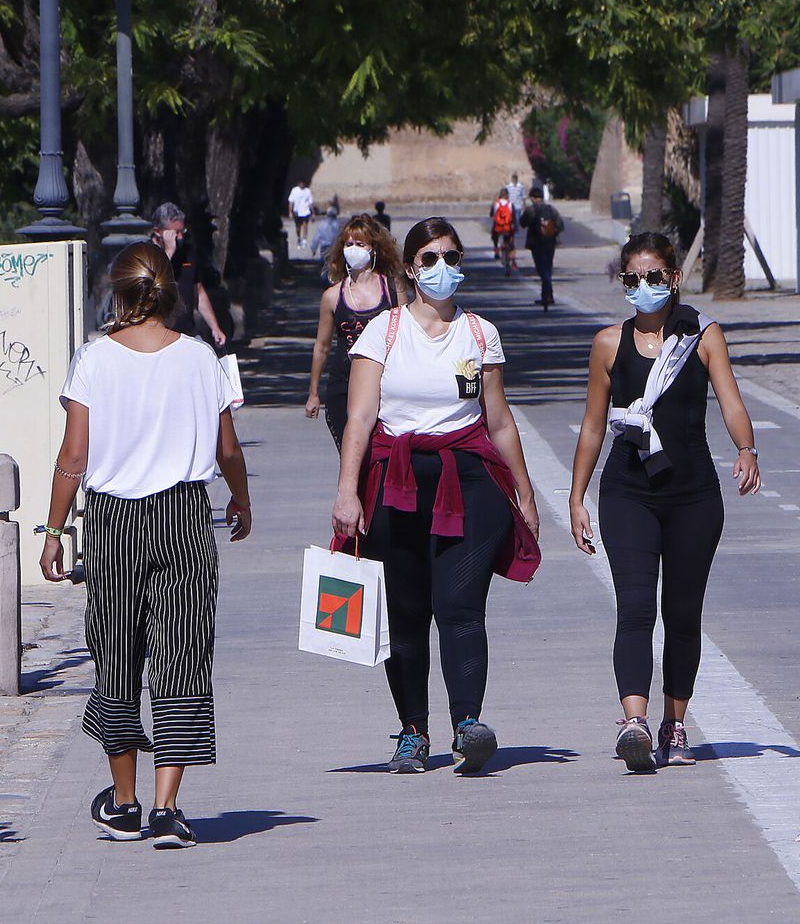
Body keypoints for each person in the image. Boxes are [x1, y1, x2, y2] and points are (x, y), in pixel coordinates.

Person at [41, 242, 252, 849]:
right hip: (185, 515)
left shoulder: (94, 360)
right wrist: (240, 500)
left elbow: (73, 457)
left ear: (119, 293)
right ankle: (167, 806)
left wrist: (55, 532)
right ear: (167, 293)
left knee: (118, 652)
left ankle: (125, 800)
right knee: (183, 652)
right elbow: (228, 450)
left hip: (114, 522)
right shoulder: (200, 358)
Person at [332, 217, 541, 776]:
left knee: (460, 605)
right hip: (395, 482)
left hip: (468, 480)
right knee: (404, 611)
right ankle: (413, 733)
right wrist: (347, 492)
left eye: (450, 256)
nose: (441, 268)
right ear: (409, 268)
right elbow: (359, 418)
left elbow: (498, 421)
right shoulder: (384, 332)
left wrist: (523, 491)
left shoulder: (479, 333)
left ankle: (469, 724)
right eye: (429, 259)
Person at [567, 232, 761, 773]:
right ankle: (635, 722)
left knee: (682, 612)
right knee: (634, 607)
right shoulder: (609, 343)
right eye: (632, 279)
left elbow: (731, 400)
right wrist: (576, 497)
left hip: (693, 497)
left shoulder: (703, 336)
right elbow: (591, 426)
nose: (644, 287)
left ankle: (675, 723)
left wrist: (746, 449)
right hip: (627, 493)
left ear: (674, 279)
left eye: (654, 277)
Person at [305, 214, 401, 449]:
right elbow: (322, 347)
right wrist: (313, 393)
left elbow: (406, 336)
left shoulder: (393, 289)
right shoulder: (332, 296)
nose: (354, 249)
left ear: (374, 248)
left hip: (385, 386)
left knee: (381, 457)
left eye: (360, 244)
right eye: (349, 244)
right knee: (352, 456)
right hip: (343, 386)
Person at [150, 202, 227, 348]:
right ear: (158, 231)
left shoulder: (188, 252)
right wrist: (169, 252)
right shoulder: (147, 253)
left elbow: (198, 291)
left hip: (187, 332)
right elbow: (151, 283)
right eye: (174, 233)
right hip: (159, 337)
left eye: (182, 231)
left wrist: (215, 327)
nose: (179, 237)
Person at [522, 195, 564, 309]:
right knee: (548, 269)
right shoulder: (551, 209)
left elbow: (522, 223)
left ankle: (546, 296)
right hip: (550, 243)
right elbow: (560, 225)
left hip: (536, 244)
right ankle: (548, 295)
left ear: (533, 197)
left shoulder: (531, 210)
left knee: (542, 270)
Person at [490, 188, 518, 275]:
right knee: (511, 244)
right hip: (508, 228)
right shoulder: (510, 204)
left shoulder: (496, 203)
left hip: (498, 228)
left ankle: (496, 249)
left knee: (494, 236)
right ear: (507, 195)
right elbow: (513, 217)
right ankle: (513, 261)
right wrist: (515, 227)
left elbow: (491, 214)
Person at [287, 180, 315, 248]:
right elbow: (291, 202)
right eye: (301, 183)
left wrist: (313, 213)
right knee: (298, 227)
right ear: (298, 184)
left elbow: (310, 203)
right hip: (297, 211)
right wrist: (290, 212)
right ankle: (299, 237)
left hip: (305, 211)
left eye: (303, 183)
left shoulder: (307, 191)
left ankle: (304, 240)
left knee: (305, 225)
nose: (302, 185)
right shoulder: (294, 190)